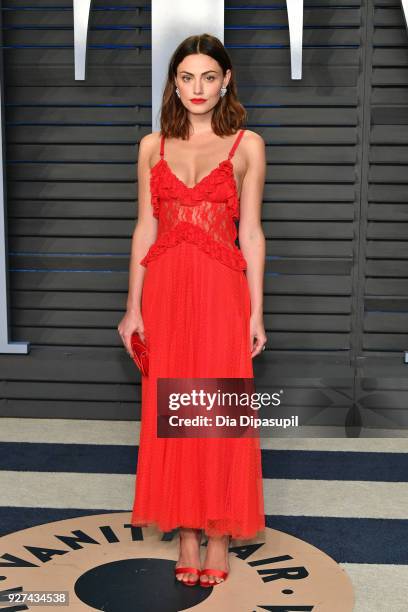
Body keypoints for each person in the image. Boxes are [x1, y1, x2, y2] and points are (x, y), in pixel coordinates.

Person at [118, 33, 267, 588]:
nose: (197, 88)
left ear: (226, 79)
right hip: (164, 291)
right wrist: (132, 307)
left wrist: (256, 312)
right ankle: (185, 532)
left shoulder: (247, 144)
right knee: (170, 412)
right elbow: (145, 227)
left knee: (217, 415)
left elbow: (250, 232)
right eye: (187, 78)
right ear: (174, 83)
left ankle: (221, 533)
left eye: (209, 76)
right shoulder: (151, 146)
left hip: (222, 292)